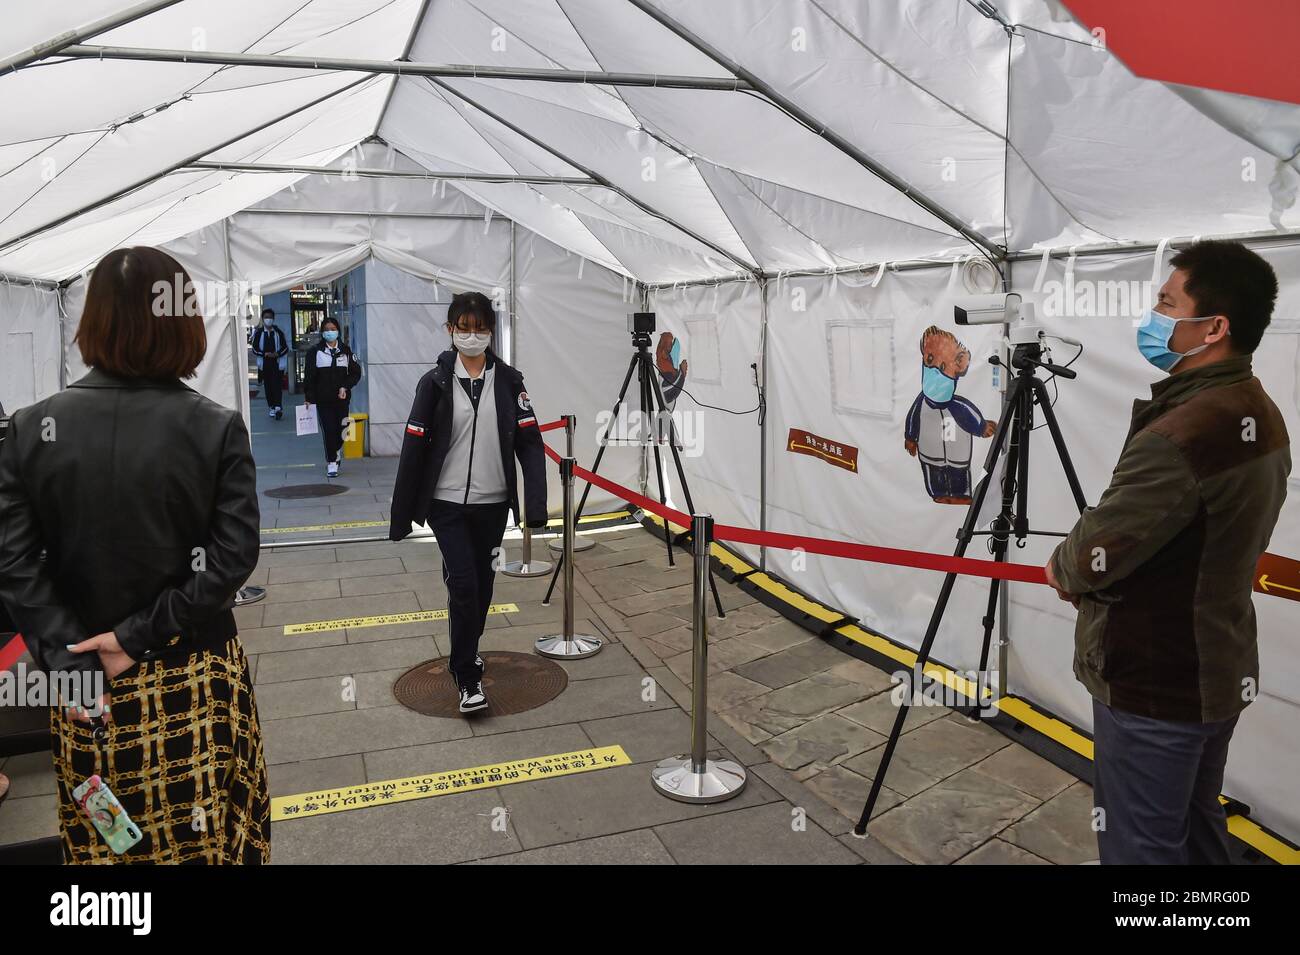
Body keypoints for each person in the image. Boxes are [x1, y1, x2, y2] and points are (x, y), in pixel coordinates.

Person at [0, 245, 269, 864]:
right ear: (182, 322)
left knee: (107, 850)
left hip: (84, 684)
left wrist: (73, 659)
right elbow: (231, 558)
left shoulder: (30, 429)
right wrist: (136, 635)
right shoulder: (215, 427)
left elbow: (15, 565)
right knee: (208, 835)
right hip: (194, 674)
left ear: (91, 322)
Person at [1045, 240, 1290, 865]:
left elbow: (1095, 551)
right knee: (1195, 822)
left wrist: (1063, 566)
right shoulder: (1257, 410)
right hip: (1214, 664)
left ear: (1213, 328)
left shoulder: (1186, 429)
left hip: (1157, 677)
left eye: (1165, 302)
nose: (1152, 316)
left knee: (1142, 847)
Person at [389, 292, 547, 713]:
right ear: (450, 330)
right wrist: (402, 514)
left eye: (479, 328)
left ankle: (467, 648)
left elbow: (531, 444)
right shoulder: (434, 383)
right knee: (464, 583)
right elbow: (413, 449)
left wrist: (535, 507)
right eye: (464, 327)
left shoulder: (511, 381)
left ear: (490, 332)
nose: (471, 335)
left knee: (482, 585)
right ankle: (466, 675)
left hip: (493, 504)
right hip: (446, 505)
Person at [303, 317, 361, 478]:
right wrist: (309, 396)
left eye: (333, 328)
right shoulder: (315, 352)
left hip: (342, 400)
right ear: (323, 332)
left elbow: (356, 373)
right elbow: (309, 377)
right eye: (327, 329)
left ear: (338, 331)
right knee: (329, 430)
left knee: (343, 430)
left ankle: (336, 450)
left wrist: (345, 386)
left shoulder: (346, 351)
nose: (330, 332)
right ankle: (332, 462)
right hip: (323, 400)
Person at [250, 307, 289, 419]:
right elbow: (254, 349)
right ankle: (271, 406)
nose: (269, 319)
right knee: (268, 386)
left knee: (277, 385)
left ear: (273, 319)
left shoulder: (278, 333)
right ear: (263, 319)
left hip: (276, 364)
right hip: (264, 364)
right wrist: (264, 354)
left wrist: (277, 354)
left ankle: (278, 406)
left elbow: (285, 348)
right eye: (266, 317)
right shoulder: (259, 333)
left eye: (270, 317)